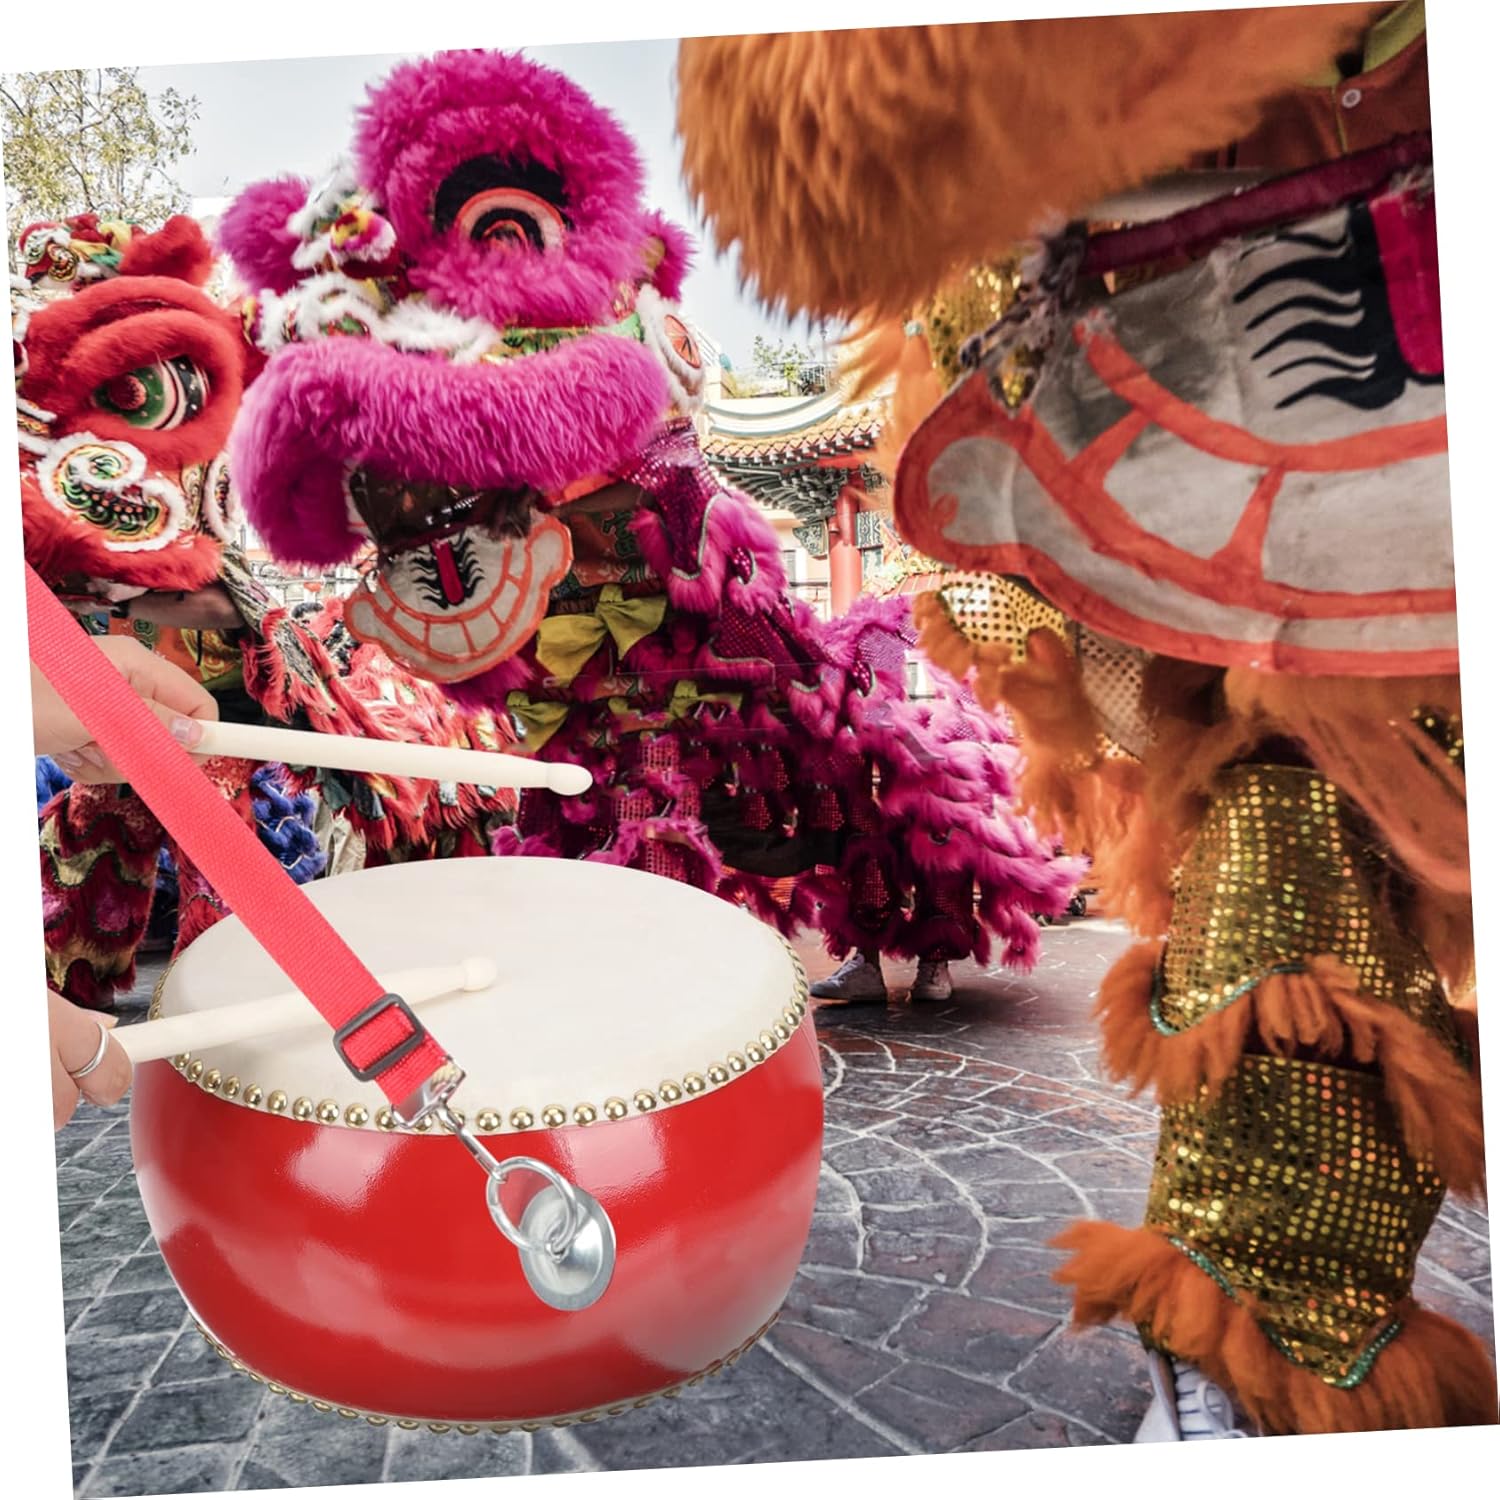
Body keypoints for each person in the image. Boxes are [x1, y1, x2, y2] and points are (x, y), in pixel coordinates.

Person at [32, 636, 216, 1128]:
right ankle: (79, 986)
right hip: (112, 745)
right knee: (90, 877)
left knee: (220, 898)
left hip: (204, 747)